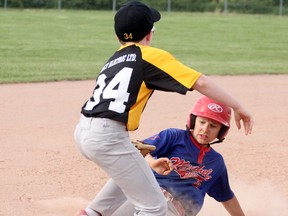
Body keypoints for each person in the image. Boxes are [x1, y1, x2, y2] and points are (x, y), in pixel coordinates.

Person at [74, 1, 253, 216]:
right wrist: (238, 105)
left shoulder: (114, 59)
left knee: (127, 178)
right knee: (154, 207)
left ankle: (92, 212)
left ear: (118, 37)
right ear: (149, 34)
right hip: (108, 135)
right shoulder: (148, 55)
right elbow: (200, 83)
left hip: (84, 131)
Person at [95, 96, 246, 216]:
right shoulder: (174, 137)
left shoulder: (216, 162)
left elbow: (226, 196)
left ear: (221, 132)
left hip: (175, 210)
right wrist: (152, 162)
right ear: (193, 120)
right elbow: (136, 148)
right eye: (202, 122)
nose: (205, 129)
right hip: (149, 197)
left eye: (213, 126)